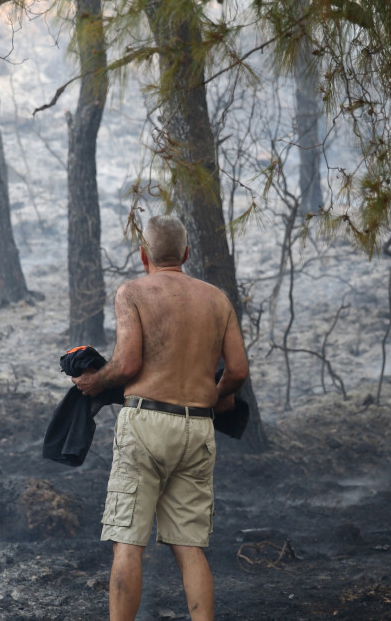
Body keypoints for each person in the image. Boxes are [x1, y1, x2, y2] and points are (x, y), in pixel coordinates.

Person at [73, 214, 249, 621]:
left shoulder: (132, 292)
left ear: (143, 254)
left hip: (147, 425)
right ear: (186, 254)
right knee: (190, 548)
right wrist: (217, 395)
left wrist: (96, 381)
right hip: (198, 429)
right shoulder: (216, 299)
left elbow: (129, 362)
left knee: (128, 544)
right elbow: (237, 370)